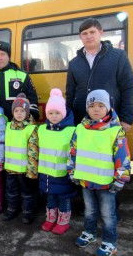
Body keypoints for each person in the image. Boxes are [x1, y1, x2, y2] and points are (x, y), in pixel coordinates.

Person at [68, 89, 131, 256]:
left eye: (101, 105)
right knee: (89, 210)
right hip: (86, 181)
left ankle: (110, 242)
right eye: (92, 105)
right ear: (87, 108)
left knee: (108, 215)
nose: (96, 109)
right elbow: (73, 151)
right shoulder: (80, 129)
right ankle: (90, 233)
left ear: (108, 108)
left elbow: (122, 156)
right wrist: (72, 170)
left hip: (106, 183)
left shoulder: (115, 131)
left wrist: (120, 178)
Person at [66, 18, 133, 132]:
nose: (88, 36)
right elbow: (70, 94)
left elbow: (128, 88)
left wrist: (127, 119)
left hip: (111, 121)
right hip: (82, 122)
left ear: (101, 32)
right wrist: (68, 119)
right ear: (80, 37)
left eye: (92, 32)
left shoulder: (118, 56)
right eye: (84, 33)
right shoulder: (74, 63)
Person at [38, 89, 76, 235]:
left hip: (63, 175)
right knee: (51, 198)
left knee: (64, 198)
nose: (54, 116)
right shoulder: (42, 129)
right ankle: (50, 218)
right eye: (50, 113)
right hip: (46, 174)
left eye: (57, 113)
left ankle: (63, 221)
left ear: (64, 113)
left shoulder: (71, 130)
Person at [3, 93, 38, 224]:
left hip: (24, 170)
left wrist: (32, 171)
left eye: (22, 111)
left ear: (27, 112)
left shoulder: (31, 128)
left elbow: (33, 150)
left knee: (26, 192)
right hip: (11, 169)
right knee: (11, 191)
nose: (18, 113)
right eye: (16, 111)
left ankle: (27, 212)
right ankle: (12, 209)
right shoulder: (8, 126)